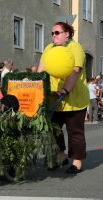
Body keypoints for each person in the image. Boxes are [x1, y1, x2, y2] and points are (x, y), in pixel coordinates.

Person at [37, 22, 90, 173]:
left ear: (67, 33)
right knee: (53, 130)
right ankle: (61, 157)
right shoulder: (49, 48)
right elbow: (41, 70)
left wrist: (66, 89)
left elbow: (75, 70)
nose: (54, 35)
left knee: (75, 132)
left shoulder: (75, 48)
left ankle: (77, 162)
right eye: (52, 33)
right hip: (54, 98)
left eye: (57, 32)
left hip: (74, 99)